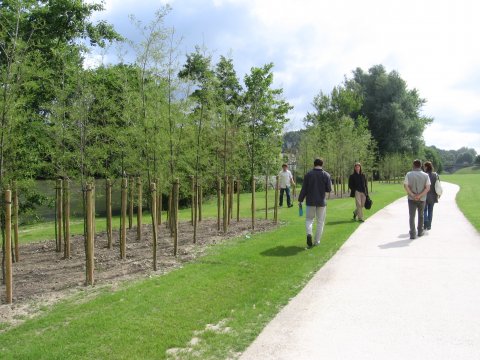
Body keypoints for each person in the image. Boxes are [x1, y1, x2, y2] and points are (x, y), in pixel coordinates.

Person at [298, 158, 332, 248]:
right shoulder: (326, 175)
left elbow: (304, 189)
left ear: (314, 164)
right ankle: (317, 241)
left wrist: (300, 199)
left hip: (310, 201)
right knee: (320, 221)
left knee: (309, 219)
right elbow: (329, 189)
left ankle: (309, 233)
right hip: (321, 201)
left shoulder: (308, 174)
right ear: (322, 164)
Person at [404, 159, 431, 239]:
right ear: (421, 165)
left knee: (412, 216)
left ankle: (412, 233)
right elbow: (428, 188)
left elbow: (406, 186)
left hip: (411, 199)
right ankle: (420, 231)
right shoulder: (425, 175)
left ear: (413, 165)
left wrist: (412, 195)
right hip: (422, 199)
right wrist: (420, 195)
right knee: (421, 215)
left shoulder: (408, 174)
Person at [423, 161, 439, 230]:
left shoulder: (424, 175)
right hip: (433, 195)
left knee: (424, 210)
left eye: (424, 166)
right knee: (430, 210)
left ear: (426, 167)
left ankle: (425, 223)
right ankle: (429, 225)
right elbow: (438, 185)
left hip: (425, 195)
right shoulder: (435, 175)